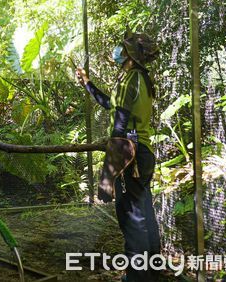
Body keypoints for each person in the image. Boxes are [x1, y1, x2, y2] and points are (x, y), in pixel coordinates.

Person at [76, 31, 161, 282]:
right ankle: (151, 273)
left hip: (130, 154)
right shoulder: (139, 78)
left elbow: (121, 123)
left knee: (131, 218)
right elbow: (113, 106)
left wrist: (109, 172)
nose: (118, 51)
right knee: (143, 213)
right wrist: (88, 84)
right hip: (141, 153)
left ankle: (136, 278)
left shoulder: (130, 79)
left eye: (122, 48)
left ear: (130, 55)